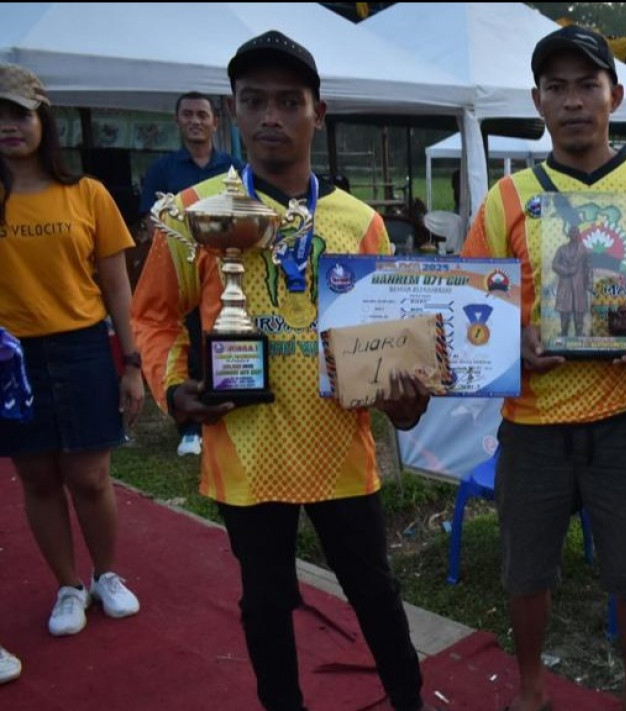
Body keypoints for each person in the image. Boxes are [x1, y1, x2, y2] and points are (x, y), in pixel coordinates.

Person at [130, 32, 430, 711]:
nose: (271, 116)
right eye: (254, 100)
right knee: (264, 601)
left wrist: (403, 400)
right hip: (247, 447)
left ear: (316, 114)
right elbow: (151, 316)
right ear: (232, 111)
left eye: (288, 101)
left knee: (375, 590)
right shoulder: (195, 212)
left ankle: (409, 700)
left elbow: (386, 342)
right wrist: (175, 387)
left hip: (338, 448)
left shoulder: (358, 222)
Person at [460, 25, 626, 711]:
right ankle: (530, 686)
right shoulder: (507, 200)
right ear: (537, 101)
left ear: (615, 95)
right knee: (525, 569)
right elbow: (470, 301)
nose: (572, 100)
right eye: (557, 87)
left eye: (586, 85)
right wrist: (514, 343)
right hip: (533, 422)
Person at [0, 63, 144, 637]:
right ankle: (68, 585)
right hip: (11, 358)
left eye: (18, 114)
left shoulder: (87, 194)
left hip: (83, 348)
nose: (7, 126)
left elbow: (116, 285)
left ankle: (107, 574)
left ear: (43, 120)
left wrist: (131, 363)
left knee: (89, 476)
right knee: (36, 477)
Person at [139, 92, 244, 458]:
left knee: (218, 338)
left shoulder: (234, 168)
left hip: (226, 270)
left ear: (216, 122)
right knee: (187, 342)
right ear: (177, 121)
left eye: (202, 115)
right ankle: (189, 426)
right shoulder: (163, 170)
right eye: (188, 115)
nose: (196, 121)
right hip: (182, 267)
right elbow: (155, 225)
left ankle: (227, 402)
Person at [550, 225, 592, 337]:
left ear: (578, 235)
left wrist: (589, 283)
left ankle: (579, 333)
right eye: (572, 232)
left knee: (579, 310)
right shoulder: (561, 249)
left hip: (579, 285)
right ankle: (563, 333)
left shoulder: (584, 250)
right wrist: (567, 270)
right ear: (569, 235)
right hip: (565, 284)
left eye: (576, 232)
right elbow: (554, 265)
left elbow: (588, 268)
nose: (574, 234)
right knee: (564, 310)